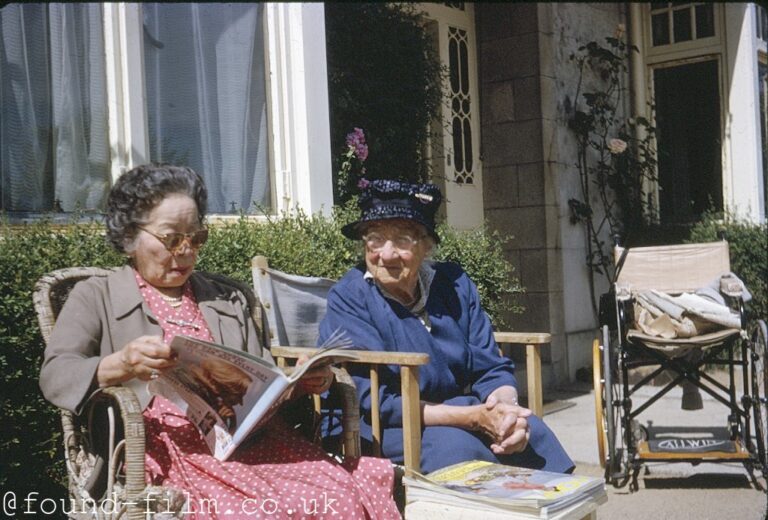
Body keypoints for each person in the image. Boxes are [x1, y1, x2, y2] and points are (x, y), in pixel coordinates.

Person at [39, 164, 400, 519]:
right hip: (163, 450)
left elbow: (262, 385)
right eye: (171, 238)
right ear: (130, 236)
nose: (185, 251)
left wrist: (298, 385)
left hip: (251, 444)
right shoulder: (96, 295)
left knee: (336, 494)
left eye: (195, 238)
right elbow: (56, 376)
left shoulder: (226, 299)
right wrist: (121, 364)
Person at [318, 179, 574, 474]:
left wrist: (506, 412)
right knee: (463, 451)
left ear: (427, 246)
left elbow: (489, 366)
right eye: (375, 238)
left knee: (533, 434)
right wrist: (474, 418)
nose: (385, 254)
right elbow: (377, 401)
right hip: (384, 425)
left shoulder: (452, 285)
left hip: (459, 410)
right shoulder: (350, 297)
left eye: (402, 240)